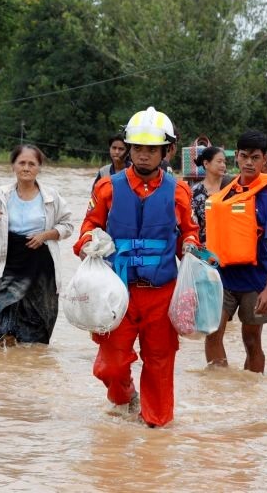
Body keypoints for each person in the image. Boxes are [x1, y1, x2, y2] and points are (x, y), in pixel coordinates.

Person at [73, 106, 199, 428]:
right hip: (117, 293)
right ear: (129, 149)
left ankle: (156, 428)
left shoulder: (180, 191)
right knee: (110, 367)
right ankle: (124, 395)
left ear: (166, 151)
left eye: (151, 149)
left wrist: (192, 248)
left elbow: (191, 233)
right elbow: (87, 227)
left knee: (159, 363)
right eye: (138, 148)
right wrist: (89, 241)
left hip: (162, 294)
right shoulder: (107, 188)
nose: (143, 155)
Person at [204, 130, 267, 373]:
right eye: (244, 156)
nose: (248, 162)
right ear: (236, 156)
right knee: (212, 333)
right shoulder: (227, 190)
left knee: (252, 341)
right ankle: (219, 391)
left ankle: (251, 393)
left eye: (255, 157)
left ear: (264, 160)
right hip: (222, 278)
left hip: (256, 283)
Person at [0, 144, 73, 344]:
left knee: (39, 321)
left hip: (42, 266)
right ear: (13, 166)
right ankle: (5, 365)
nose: (26, 168)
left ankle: (30, 367)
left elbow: (67, 226)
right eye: (21, 163)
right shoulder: (1, 195)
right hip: (12, 263)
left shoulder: (51, 196)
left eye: (31, 164)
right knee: (1, 308)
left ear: (39, 168)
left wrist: (45, 235)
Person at [189, 146, 231, 245]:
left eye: (224, 162)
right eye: (219, 161)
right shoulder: (195, 192)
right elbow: (193, 224)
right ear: (206, 164)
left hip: (230, 247)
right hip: (206, 251)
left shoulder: (231, 187)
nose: (223, 165)